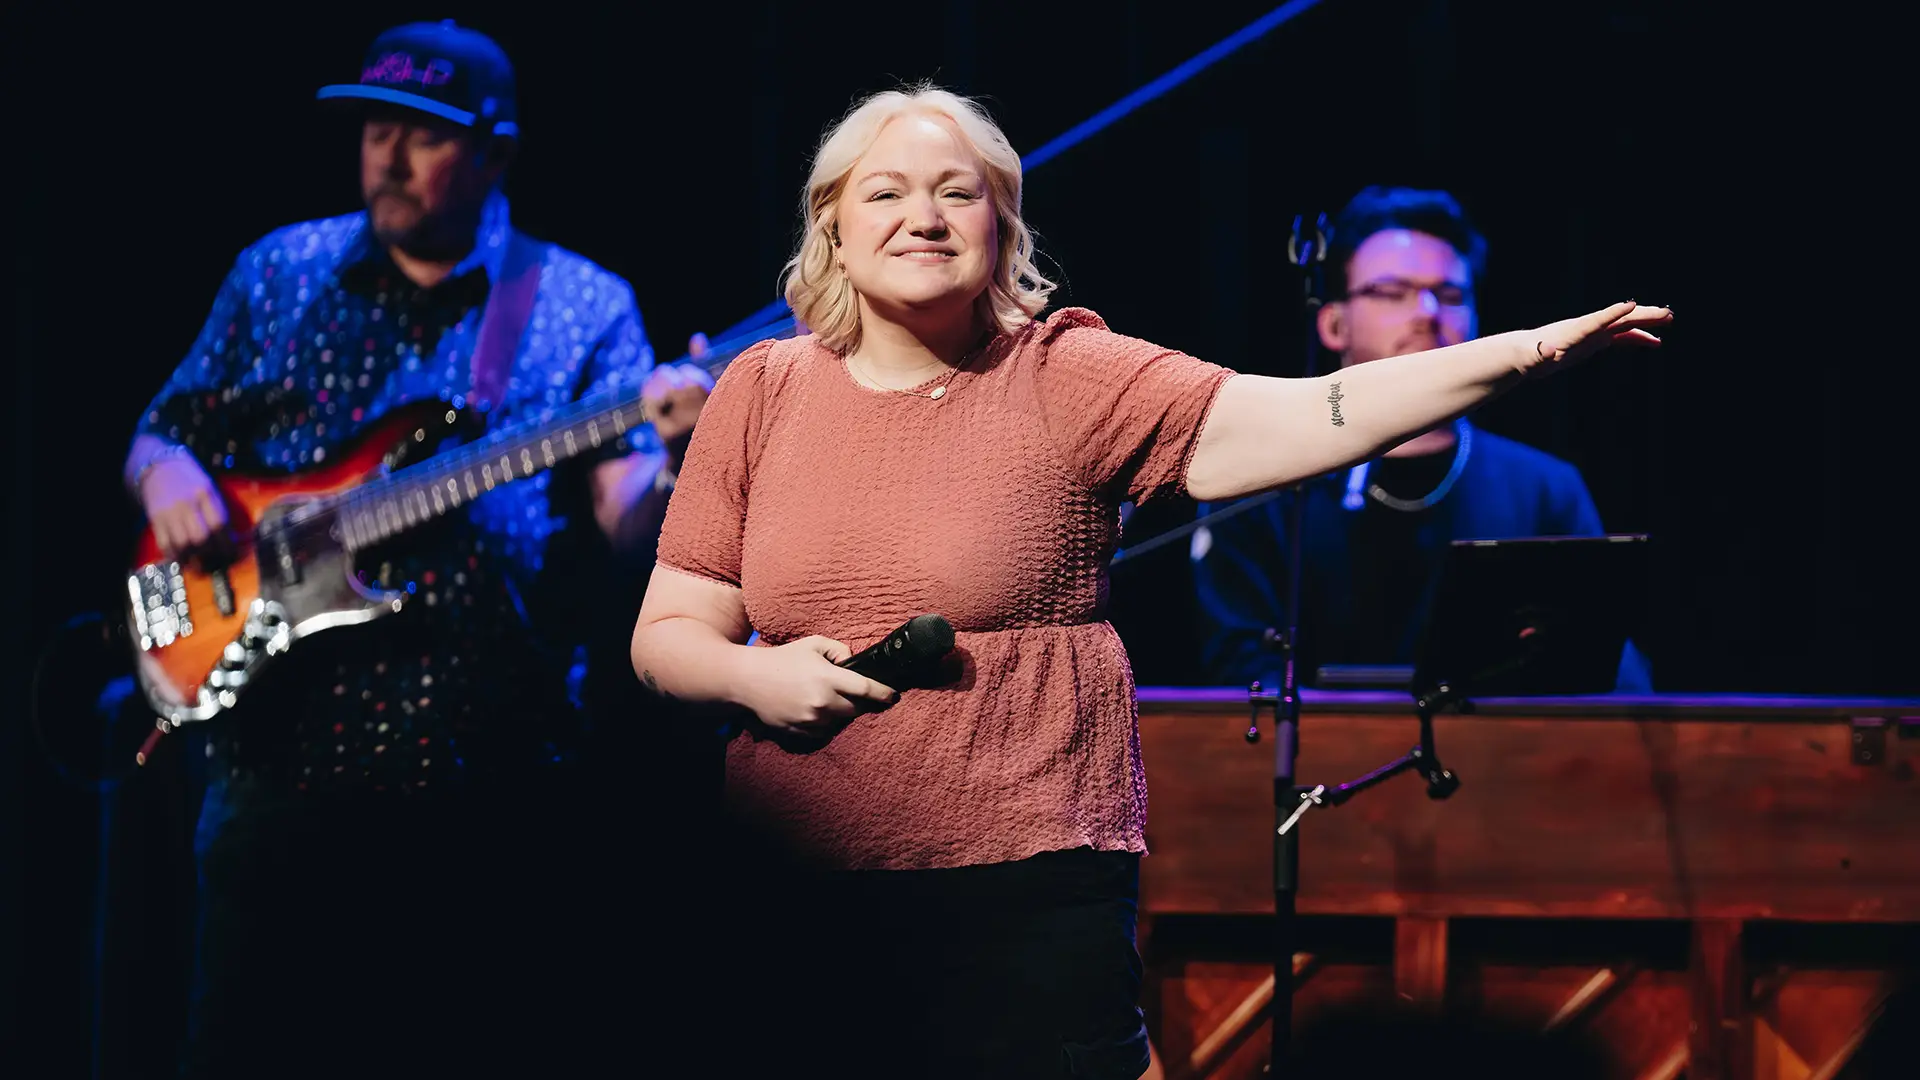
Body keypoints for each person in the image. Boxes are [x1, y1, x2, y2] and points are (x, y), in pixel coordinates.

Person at [628, 82, 1669, 1079]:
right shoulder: (761, 391)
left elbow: (1315, 411)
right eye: (886, 192)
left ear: (1002, 227)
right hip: (794, 876)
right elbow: (667, 631)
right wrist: (751, 680)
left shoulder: (1068, 376)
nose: (924, 217)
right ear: (835, 226)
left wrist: (1525, 352)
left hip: (1025, 884)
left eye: (957, 192)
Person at [125, 21, 712, 1078]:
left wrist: (682, 465)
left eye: (423, 136)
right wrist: (166, 475)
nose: (387, 156)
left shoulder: (580, 302)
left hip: (491, 780)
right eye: (374, 129)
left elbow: (630, 517)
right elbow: (162, 431)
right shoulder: (280, 272)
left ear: (496, 149)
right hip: (281, 773)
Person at [1192, 185, 1654, 693]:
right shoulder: (1261, 485)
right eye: (1392, 291)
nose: (1428, 310)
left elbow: (1606, 674)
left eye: (1452, 295)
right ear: (1333, 323)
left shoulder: (1544, 487)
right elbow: (1237, 681)